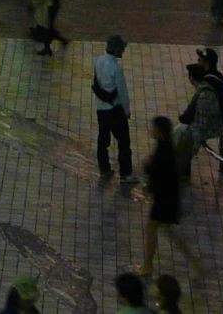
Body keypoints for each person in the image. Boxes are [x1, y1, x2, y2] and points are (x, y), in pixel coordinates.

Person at [139, 114, 204, 276]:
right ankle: (195, 262)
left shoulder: (164, 149)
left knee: (152, 228)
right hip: (167, 198)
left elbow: (160, 172)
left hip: (164, 200)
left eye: (154, 128)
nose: (151, 131)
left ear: (160, 130)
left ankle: (147, 265)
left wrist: (148, 167)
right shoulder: (165, 146)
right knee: (169, 232)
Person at [92, 34, 135, 183]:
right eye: (121, 49)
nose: (123, 52)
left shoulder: (99, 61)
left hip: (101, 108)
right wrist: (127, 110)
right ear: (116, 50)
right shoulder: (116, 68)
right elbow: (123, 92)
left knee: (103, 140)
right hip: (115, 110)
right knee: (123, 142)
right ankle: (125, 173)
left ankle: (104, 169)